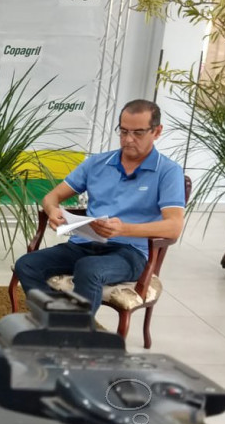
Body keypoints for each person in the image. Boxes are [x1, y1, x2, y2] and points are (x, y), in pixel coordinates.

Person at [13, 99, 185, 314]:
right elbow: (52, 197)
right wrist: (52, 211)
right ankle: (55, 321)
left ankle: (78, 337)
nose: (128, 139)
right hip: (84, 244)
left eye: (138, 133)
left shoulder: (168, 171)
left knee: (89, 268)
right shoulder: (98, 163)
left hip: (130, 253)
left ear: (157, 132)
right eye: (123, 131)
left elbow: (174, 227)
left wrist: (123, 229)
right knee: (26, 264)